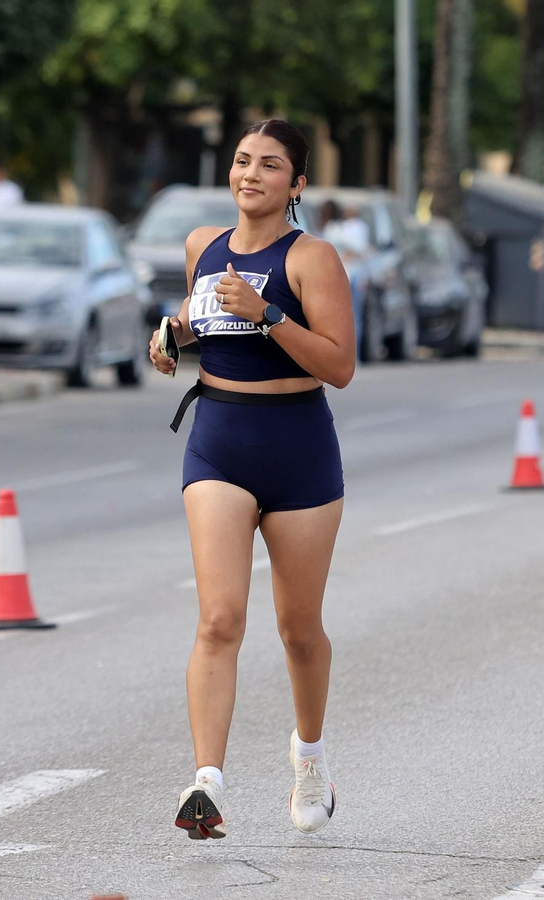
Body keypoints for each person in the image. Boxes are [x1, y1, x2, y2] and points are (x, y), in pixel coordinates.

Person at [147, 119, 356, 840]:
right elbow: (204, 320)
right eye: (242, 161)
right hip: (219, 445)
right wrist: (172, 336)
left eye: (270, 165)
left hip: (298, 450)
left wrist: (268, 315)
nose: (251, 174)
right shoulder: (201, 247)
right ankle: (205, 782)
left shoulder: (312, 259)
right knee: (219, 618)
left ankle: (310, 756)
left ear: (295, 184)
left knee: (299, 631)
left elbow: (339, 366)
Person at [319, 202, 373, 351]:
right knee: (346, 317)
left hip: (352, 275)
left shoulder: (354, 227)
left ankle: (353, 353)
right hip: (342, 276)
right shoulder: (334, 229)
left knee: (353, 316)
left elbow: (361, 250)